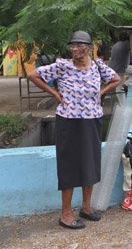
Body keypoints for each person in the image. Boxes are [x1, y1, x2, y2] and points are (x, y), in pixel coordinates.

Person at [28, 31, 120, 229]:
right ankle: (65, 214)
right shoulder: (63, 66)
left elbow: (115, 79)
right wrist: (55, 94)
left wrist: (100, 93)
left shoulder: (97, 66)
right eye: (73, 46)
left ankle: (86, 208)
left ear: (89, 47)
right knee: (69, 164)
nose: (75, 49)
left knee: (90, 162)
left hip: (92, 120)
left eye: (80, 45)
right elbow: (33, 75)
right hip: (68, 121)